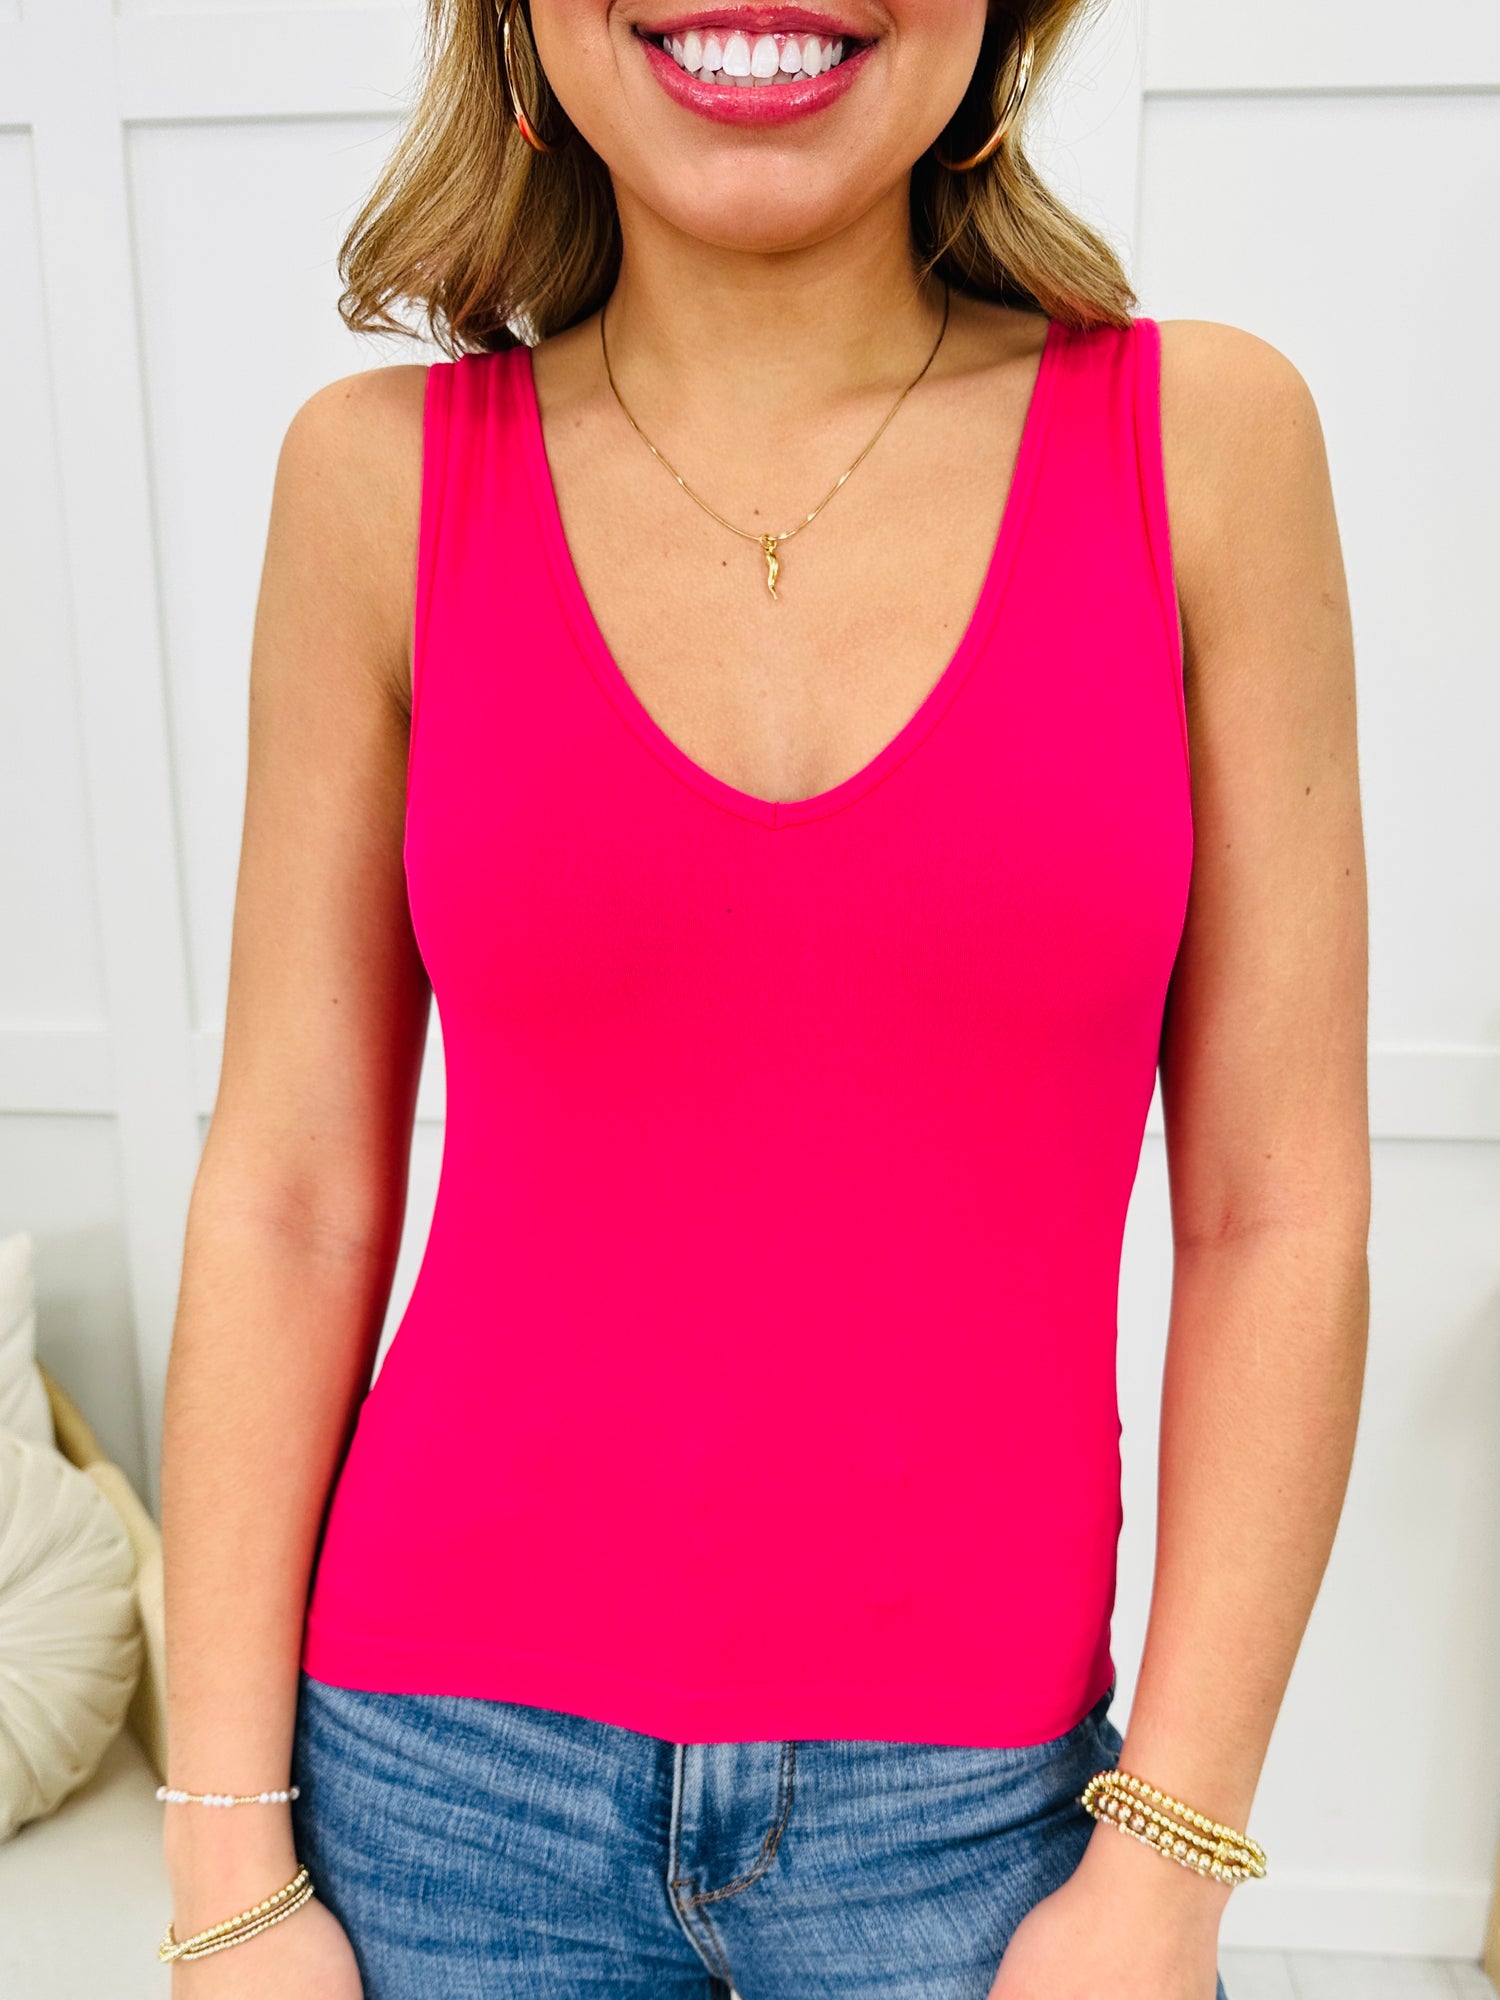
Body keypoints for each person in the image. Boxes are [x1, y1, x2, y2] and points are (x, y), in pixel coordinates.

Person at [155, 0, 1371, 1994]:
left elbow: (1278, 1206)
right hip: (436, 1805)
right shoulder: (378, 481)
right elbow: (288, 1193)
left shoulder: (1205, 444)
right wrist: (227, 1871)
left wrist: (1168, 1859)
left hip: (981, 1830)